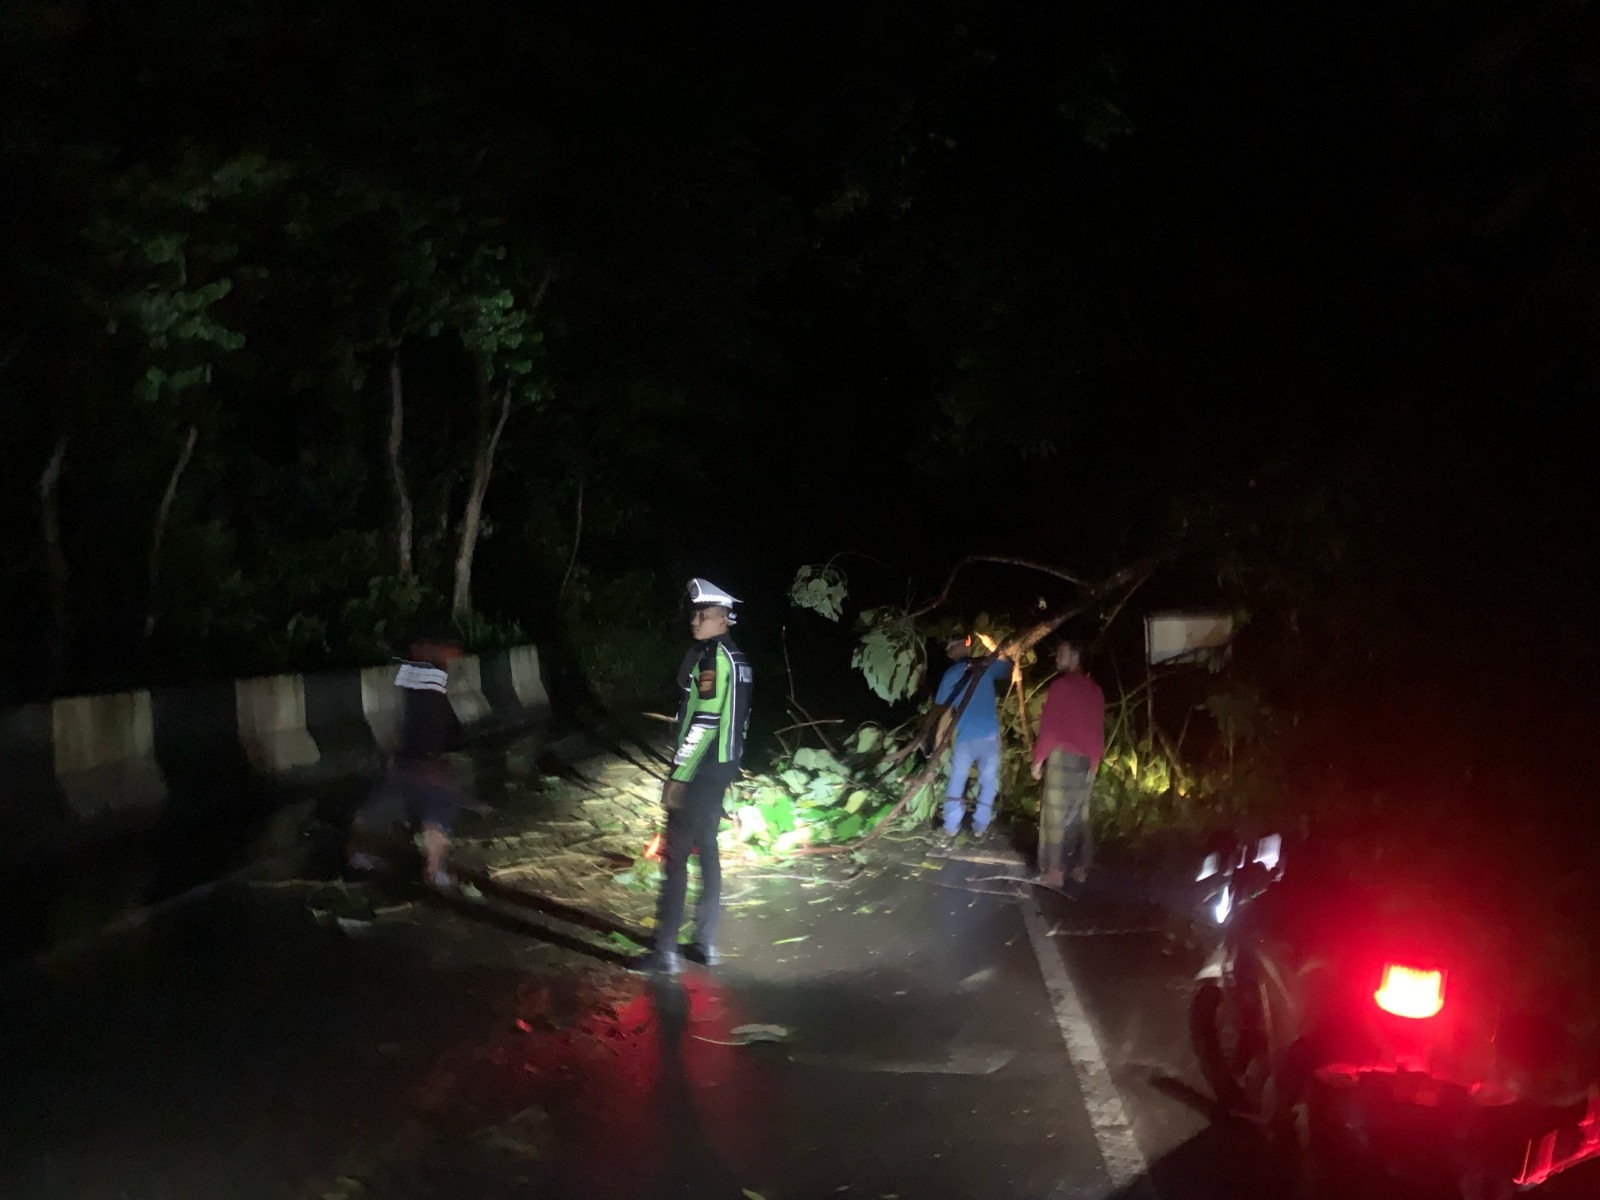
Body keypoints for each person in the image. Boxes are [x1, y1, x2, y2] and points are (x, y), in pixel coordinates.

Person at [635, 578, 753, 975]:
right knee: (709, 852)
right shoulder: (739, 660)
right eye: (694, 614)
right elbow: (740, 721)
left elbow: (704, 721)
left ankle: (664, 952)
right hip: (721, 768)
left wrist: (679, 777)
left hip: (700, 771)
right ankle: (705, 944)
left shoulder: (712, 660)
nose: (695, 620)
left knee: (676, 858)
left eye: (703, 615)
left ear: (723, 619)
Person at [347, 629, 467, 891]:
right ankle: (435, 871)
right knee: (438, 811)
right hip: (420, 766)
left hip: (404, 763)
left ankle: (364, 856)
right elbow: (434, 722)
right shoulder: (428, 678)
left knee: (380, 810)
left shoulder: (409, 676)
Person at [1031, 639, 1104, 886]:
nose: (1056, 657)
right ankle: (1080, 867)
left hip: (1063, 757)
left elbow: (1050, 728)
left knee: (1054, 816)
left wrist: (1038, 759)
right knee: (1079, 815)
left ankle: (1054, 871)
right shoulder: (1095, 690)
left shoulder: (1061, 686)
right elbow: (1097, 729)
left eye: (1061, 653)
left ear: (1075, 656)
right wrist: (1095, 762)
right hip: (1087, 761)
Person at [933, 633, 1014, 842]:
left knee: (958, 781)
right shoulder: (985, 666)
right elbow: (1009, 666)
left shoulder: (952, 674)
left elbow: (945, 710)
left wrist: (939, 741)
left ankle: (952, 826)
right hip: (987, 737)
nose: (949, 653)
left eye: (950, 648)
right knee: (988, 783)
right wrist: (992, 645)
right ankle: (979, 827)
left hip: (967, 739)